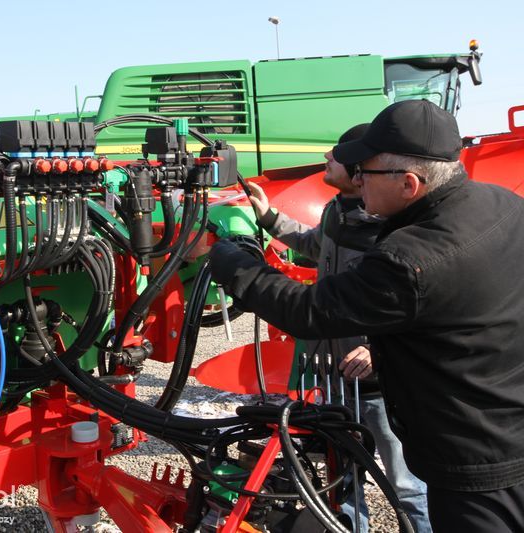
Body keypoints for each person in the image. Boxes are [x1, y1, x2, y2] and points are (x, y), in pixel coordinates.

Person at [209, 99, 524, 532]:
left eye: (365, 172)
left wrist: (231, 259)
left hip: (470, 457)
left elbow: (307, 311)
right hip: (507, 423)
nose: (357, 179)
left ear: (409, 183)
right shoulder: (501, 204)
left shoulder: (412, 257)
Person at [247, 123, 430, 532]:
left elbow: (415, 304)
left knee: (406, 484)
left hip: (381, 387)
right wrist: (268, 217)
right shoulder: (337, 211)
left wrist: (377, 348)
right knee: (342, 479)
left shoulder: (392, 232)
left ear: (360, 171)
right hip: (333, 381)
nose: (328, 159)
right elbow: (314, 246)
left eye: (336, 155)